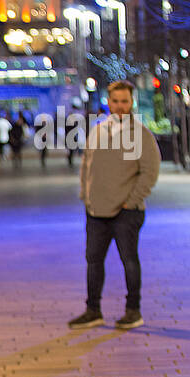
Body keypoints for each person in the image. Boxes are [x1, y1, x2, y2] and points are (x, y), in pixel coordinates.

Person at [69, 80, 161, 331]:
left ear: (131, 103)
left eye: (125, 101)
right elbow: (87, 165)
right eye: (115, 101)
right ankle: (93, 310)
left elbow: (149, 173)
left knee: (129, 261)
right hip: (95, 211)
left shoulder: (141, 134)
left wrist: (130, 202)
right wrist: (86, 196)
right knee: (93, 261)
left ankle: (133, 311)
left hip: (126, 212)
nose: (120, 106)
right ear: (108, 102)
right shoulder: (98, 131)